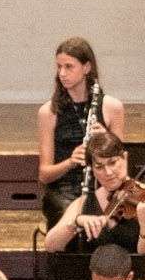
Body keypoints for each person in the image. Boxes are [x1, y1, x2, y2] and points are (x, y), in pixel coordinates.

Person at [42, 130, 145, 265]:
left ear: (125, 158)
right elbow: (51, 245)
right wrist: (76, 222)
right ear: (92, 169)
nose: (108, 172)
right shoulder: (84, 202)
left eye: (113, 162)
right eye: (99, 166)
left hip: (134, 278)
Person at [36, 39, 111, 222]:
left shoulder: (112, 107)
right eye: (59, 67)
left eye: (69, 67)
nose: (62, 73)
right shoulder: (48, 112)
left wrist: (107, 142)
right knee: (76, 217)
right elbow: (44, 175)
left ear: (86, 68)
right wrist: (71, 161)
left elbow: (122, 164)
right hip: (63, 191)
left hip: (102, 187)